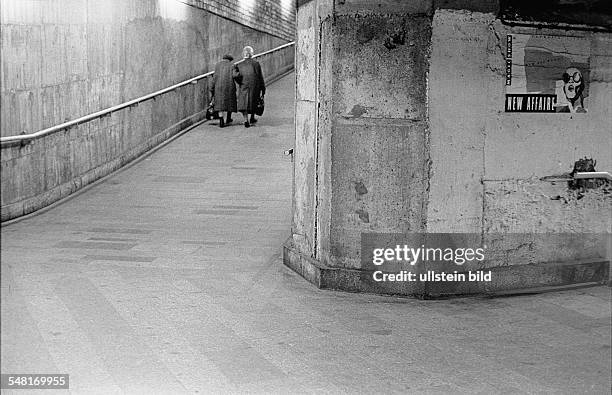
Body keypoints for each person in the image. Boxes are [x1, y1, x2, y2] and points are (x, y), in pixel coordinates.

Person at [233, 46, 265, 128]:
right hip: (254, 86)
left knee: (244, 103)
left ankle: (245, 120)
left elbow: (236, 75)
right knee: (253, 101)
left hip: (244, 85)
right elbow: (260, 76)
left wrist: (240, 82)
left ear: (243, 54)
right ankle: (252, 117)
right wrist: (263, 88)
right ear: (251, 54)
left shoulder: (239, 65)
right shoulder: (256, 64)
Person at [209, 54, 237, 127]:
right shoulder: (232, 65)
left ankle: (221, 119)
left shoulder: (217, 65)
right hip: (229, 87)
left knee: (220, 105)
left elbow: (214, 77)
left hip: (218, 87)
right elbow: (235, 75)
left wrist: (212, 88)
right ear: (230, 60)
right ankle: (228, 118)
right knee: (229, 103)